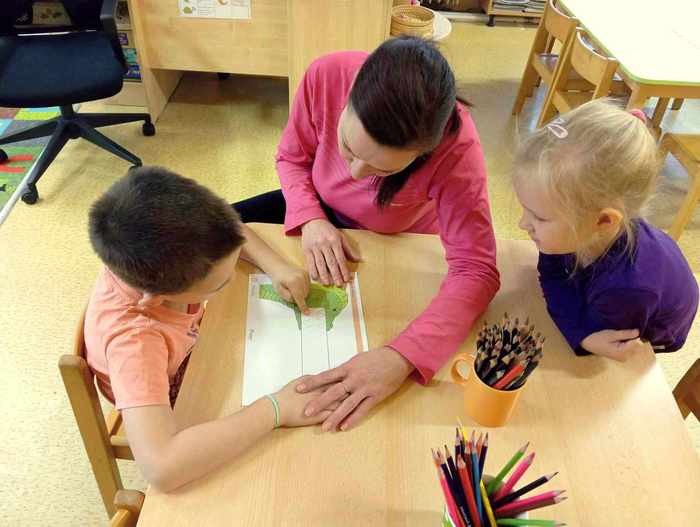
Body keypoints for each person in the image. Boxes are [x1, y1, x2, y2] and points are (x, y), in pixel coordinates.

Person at [235, 36, 500, 432]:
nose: (355, 174)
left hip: (394, 243)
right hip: (316, 212)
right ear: (348, 97)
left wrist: (401, 357)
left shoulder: (458, 150)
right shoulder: (326, 75)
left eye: (384, 170)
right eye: (347, 147)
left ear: (424, 153)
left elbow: (477, 270)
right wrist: (311, 217)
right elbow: (292, 157)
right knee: (211, 227)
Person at [85, 166, 328, 492]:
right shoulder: (136, 344)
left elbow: (234, 230)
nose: (230, 279)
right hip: (170, 399)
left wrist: (276, 265)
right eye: (220, 284)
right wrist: (275, 410)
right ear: (158, 298)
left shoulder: (165, 242)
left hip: (193, 352)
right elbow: (161, 468)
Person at [513, 100, 698, 361]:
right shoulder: (582, 231)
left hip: (653, 327)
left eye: (539, 217)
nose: (522, 224)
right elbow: (554, 272)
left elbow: (592, 336)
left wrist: (583, 335)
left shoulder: (625, 291)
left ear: (603, 221)